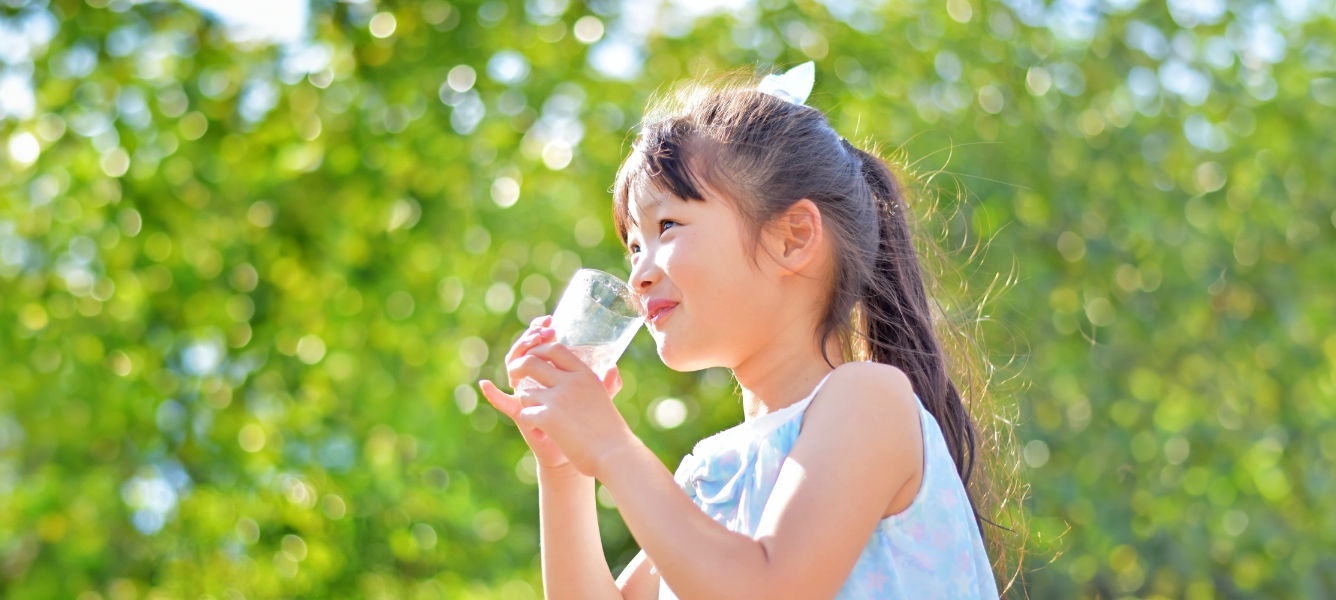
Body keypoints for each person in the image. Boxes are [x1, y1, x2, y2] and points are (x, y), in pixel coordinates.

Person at [479, 64, 1005, 599]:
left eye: (667, 227)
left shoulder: (869, 401)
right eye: (634, 246)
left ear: (793, 238)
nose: (638, 273)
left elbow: (763, 587)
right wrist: (565, 468)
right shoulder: (710, 473)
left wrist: (612, 448)